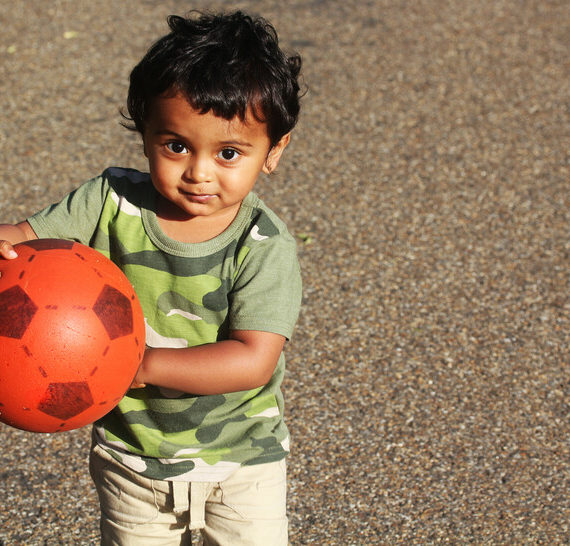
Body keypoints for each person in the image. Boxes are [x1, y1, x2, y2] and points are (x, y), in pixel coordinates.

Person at [0, 10, 303, 545]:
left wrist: (140, 365)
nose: (199, 172)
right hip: (132, 458)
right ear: (144, 133)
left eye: (228, 153)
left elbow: (255, 358)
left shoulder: (262, 244)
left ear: (273, 152)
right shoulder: (109, 201)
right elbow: (26, 239)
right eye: (177, 145)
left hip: (241, 462)